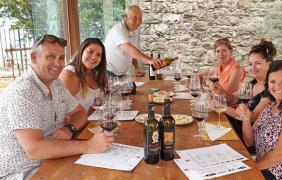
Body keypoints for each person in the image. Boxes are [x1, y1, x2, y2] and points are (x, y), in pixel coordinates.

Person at [0, 34, 114, 179]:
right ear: (34, 57)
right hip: (23, 171)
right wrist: (89, 145)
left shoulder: (55, 84)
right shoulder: (23, 92)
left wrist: (70, 128)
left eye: (61, 58)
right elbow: (35, 150)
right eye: (51, 57)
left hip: (52, 158)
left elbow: (80, 113)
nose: (58, 64)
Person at [237, 60, 282, 179]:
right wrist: (246, 119)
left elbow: (280, 154)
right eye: (272, 81)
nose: (277, 86)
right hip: (263, 167)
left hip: (281, 174)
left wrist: (248, 168)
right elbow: (250, 142)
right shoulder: (270, 105)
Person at [224, 39, 276, 153]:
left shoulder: (271, 90)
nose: (252, 68)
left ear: (270, 63)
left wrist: (220, 106)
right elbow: (234, 99)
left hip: (246, 138)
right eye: (250, 64)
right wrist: (220, 92)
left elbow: (251, 116)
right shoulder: (252, 84)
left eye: (258, 63)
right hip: (235, 128)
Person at [104, 5, 164, 77]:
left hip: (122, 74)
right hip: (108, 72)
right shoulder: (118, 30)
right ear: (126, 17)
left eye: (140, 19)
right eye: (134, 18)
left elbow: (133, 51)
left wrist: (136, 67)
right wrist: (150, 60)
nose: (138, 22)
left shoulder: (134, 30)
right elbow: (129, 49)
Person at [59, 38, 107, 115]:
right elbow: (61, 111)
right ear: (81, 52)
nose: (94, 57)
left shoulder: (95, 73)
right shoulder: (69, 74)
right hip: (78, 125)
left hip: (93, 121)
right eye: (90, 52)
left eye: (98, 55)